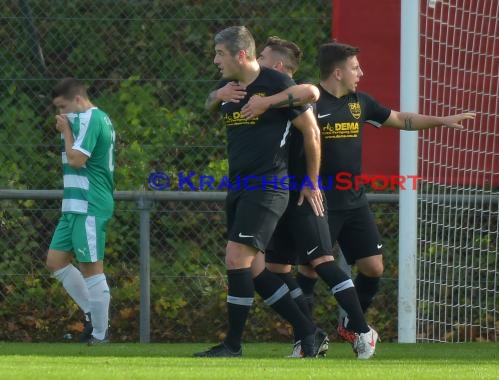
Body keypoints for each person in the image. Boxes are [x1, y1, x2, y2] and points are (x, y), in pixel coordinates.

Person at [242, 41, 475, 347]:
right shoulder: (308, 100)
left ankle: (350, 325)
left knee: (374, 266)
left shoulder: (359, 102)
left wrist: (440, 121)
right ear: (337, 72)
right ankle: (309, 337)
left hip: (354, 200)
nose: (360, 73)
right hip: (317, 200)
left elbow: (401, 118)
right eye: (355, 68)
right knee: (308, 269)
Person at [193, 26, 328, 358]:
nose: (215, 60)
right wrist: (217, 97)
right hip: (240, 185)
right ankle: (309, 331)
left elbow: (311, 120)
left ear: (241, 55)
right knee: (253, 269)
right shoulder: (229, 86)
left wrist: (311, 179)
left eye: (220, 54)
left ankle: (233, 345)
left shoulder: (275, 83)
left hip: (268, 184)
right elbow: (208, 104)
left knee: (236, 258)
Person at [243, 36, 379, 360]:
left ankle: (361, 331)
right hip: (277, 194)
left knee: (321, 261)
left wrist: (311, 180)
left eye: (260, 56)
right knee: (275, 267)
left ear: (276, 64)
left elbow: (310, 93)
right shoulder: (266, 95)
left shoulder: (293, 93)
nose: (255, 60)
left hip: (305, 193)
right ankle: (309, 335)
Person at [46, 77, 115, 345]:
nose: (61, 113)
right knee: (56, 261)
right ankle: (92, 313)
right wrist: (68, 128)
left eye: (63, 106)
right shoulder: (86, 119)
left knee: (91, 268)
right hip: (74, 204)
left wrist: (66, 131)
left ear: (77, 100)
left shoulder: (92, 119)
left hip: (89, 203)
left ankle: (100, 334)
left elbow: (77, 160)